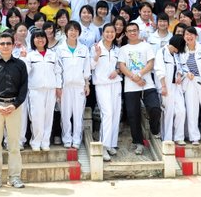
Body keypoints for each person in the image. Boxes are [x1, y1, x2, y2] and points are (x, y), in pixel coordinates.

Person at [0, 32, 28, 190]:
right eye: (2, 43)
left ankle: (14, 177)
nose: (5, 46)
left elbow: (24, 88)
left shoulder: (20, 65)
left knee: (14, 145)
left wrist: (15, 105)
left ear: (13, 45)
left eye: (8, 43)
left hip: (14, 107)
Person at [118, 22, 161, 155]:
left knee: (155, 108)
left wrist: (139, 75)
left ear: (138, 31)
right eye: (129, 31)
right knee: (133, 115)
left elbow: (151, 63)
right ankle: (138, 142)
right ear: (126, 33)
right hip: (131, 87)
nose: (132, 33)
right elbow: (122, 66)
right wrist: (134, 77)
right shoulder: (123, 49)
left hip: (147, 84)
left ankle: (154, 129)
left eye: (134, 30)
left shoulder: (146, 46)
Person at [23, 30, 62, 151]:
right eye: (37, 37)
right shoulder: (30, 55)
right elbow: (25, 72)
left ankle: (45, 142)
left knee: (48, 117)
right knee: (36, 117)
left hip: (51, 89)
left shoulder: (53, 54)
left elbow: (58, 72)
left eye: (42, 37)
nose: (40, 40)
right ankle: (36, 142)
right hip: (35, 90)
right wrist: (23, 58)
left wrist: (58, 87)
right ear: (33, 40)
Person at [91, 23, 122, 161]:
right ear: (103, 33)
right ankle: (103, 146)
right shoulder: (96, 47)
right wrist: (97, 56)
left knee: (115, 113)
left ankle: (111, 144)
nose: (110, 34)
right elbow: (90, 66)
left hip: (115, 84)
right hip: (102, 84)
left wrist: (117, 71)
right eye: (107, 32)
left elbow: (121, 65)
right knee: (107, 114)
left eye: (112, 32)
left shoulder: (117, 49)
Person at [57, 22, 91, 149]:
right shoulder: (60, 49)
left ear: (79, 33)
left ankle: (76, 139)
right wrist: (58, 87)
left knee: (78, 114)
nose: (73, 32)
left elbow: (86, 69)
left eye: (76, 30)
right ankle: (67, 138)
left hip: (79, 86)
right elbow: (57, 70)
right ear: (66, 32)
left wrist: (87, 84)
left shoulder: (84, 49)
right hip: (65, 87)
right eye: (71, 30)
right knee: (65, 114)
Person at [153, 35, 186, 144]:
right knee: (168, 113)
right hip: (165, 87)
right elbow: (159, 70)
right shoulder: (161, 52)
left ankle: (179, 137)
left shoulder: (176, 54)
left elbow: (180, 67)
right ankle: (167, 138)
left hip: (176, 86)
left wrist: (179, 75)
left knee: (181, 110)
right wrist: (163, 87)